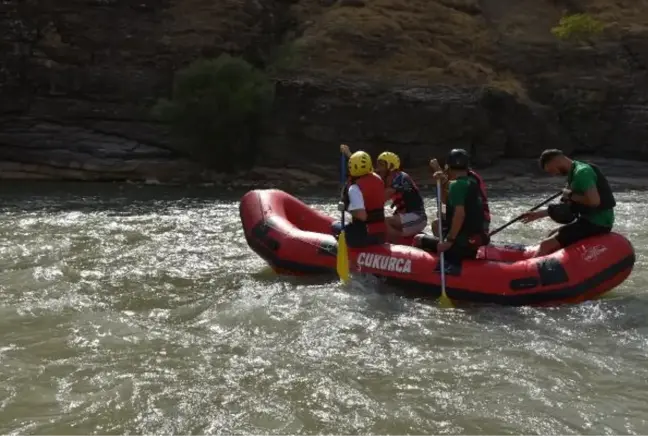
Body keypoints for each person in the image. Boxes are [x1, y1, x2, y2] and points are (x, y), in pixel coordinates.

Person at [520, 149, 615, 257]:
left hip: (598, 223)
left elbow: (594, 201)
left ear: (556, 161)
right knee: (551, 234)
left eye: (552, 170)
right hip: (588, 220)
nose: (554, 174)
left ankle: (530, 272)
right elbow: (567, 207)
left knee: (545, 245)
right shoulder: (574, 173)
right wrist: (538, 214)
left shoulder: (582, 172)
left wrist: (570, 195)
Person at [414, 149, 488, 263]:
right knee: (437, 224)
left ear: (448, 167)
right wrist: (442, 181)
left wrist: (449, 241)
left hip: (461, 245)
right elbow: (447, 200)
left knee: (418, 239)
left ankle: (433, 267)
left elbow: (460, 215)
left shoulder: (456, 185)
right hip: (472, 241)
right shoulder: (471, 182)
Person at [429, 148, 491, 239]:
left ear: (448, 167)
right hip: (478, 220)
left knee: (436, 224)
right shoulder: (471, 177)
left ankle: (448, 245)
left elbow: (452, 199)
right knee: (441, 215)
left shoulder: (464, 182)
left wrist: (438, 171)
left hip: (475, 222)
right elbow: (446, 199)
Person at [335, 146, 387, 247]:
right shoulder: (378, 179)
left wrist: (347, 208)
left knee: (334, 226)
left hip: (364, 236)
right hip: (381, 233)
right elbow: (360, 165)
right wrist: (348, 153)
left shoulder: (354, 188)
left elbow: (361, 216)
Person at [375, 151, 427, 242]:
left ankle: (400, 242)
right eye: (378, 164)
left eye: (381, 165)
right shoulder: (388, 179)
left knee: (384, 222)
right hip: (405, 217)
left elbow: (381, 198)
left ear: (391, 167)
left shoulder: (401, 177)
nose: (378, 169)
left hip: (418, 217)